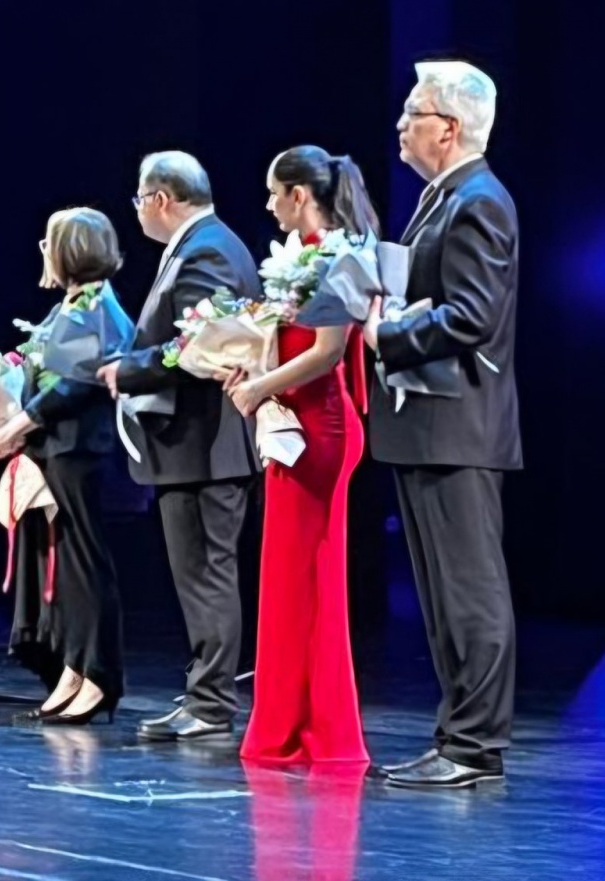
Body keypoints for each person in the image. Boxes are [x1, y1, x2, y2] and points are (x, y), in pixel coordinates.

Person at [362, 60, 519, 789]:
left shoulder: (479, 200)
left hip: (459, 425)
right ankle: (457, 734)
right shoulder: (444, 197)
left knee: (468, 592)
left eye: (413, 113)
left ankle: (475, 744)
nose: (401, 125)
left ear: (449, 128)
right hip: (427, 423)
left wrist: (385, 335)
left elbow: (473, 316)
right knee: (440, 598)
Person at [93, 151, 261, 741]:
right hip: (193, 446)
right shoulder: (200, 245)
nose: (138, 211)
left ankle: (212, 704)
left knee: (207, 573)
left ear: (161, 199)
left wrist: (128, 370)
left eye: (140, 200)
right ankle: (203, 693)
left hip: (206, 443)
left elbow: (198, 347)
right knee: (198, 575)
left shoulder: (207, 250)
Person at [225, 145, 377, 764]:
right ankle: (291, 719)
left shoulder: (337, 255)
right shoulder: (306, 253)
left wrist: (259, 387)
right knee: (290, 580)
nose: (268, 205)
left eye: (273, 193)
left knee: (307, 581)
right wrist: (252, 368)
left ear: (298, 194)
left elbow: (328, 352)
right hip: (295, 422)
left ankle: (314, 728)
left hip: (319, 431)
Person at [0, 207, 125, 725]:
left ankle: (98, 674)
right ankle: (71, 666)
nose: (43, 251)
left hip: (78, 453)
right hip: (54, 451)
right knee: (59, 568)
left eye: (49, 242)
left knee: (82, 565)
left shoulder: (95, 308)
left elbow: (74, 385)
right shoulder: (72, 306)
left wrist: (15, 427)